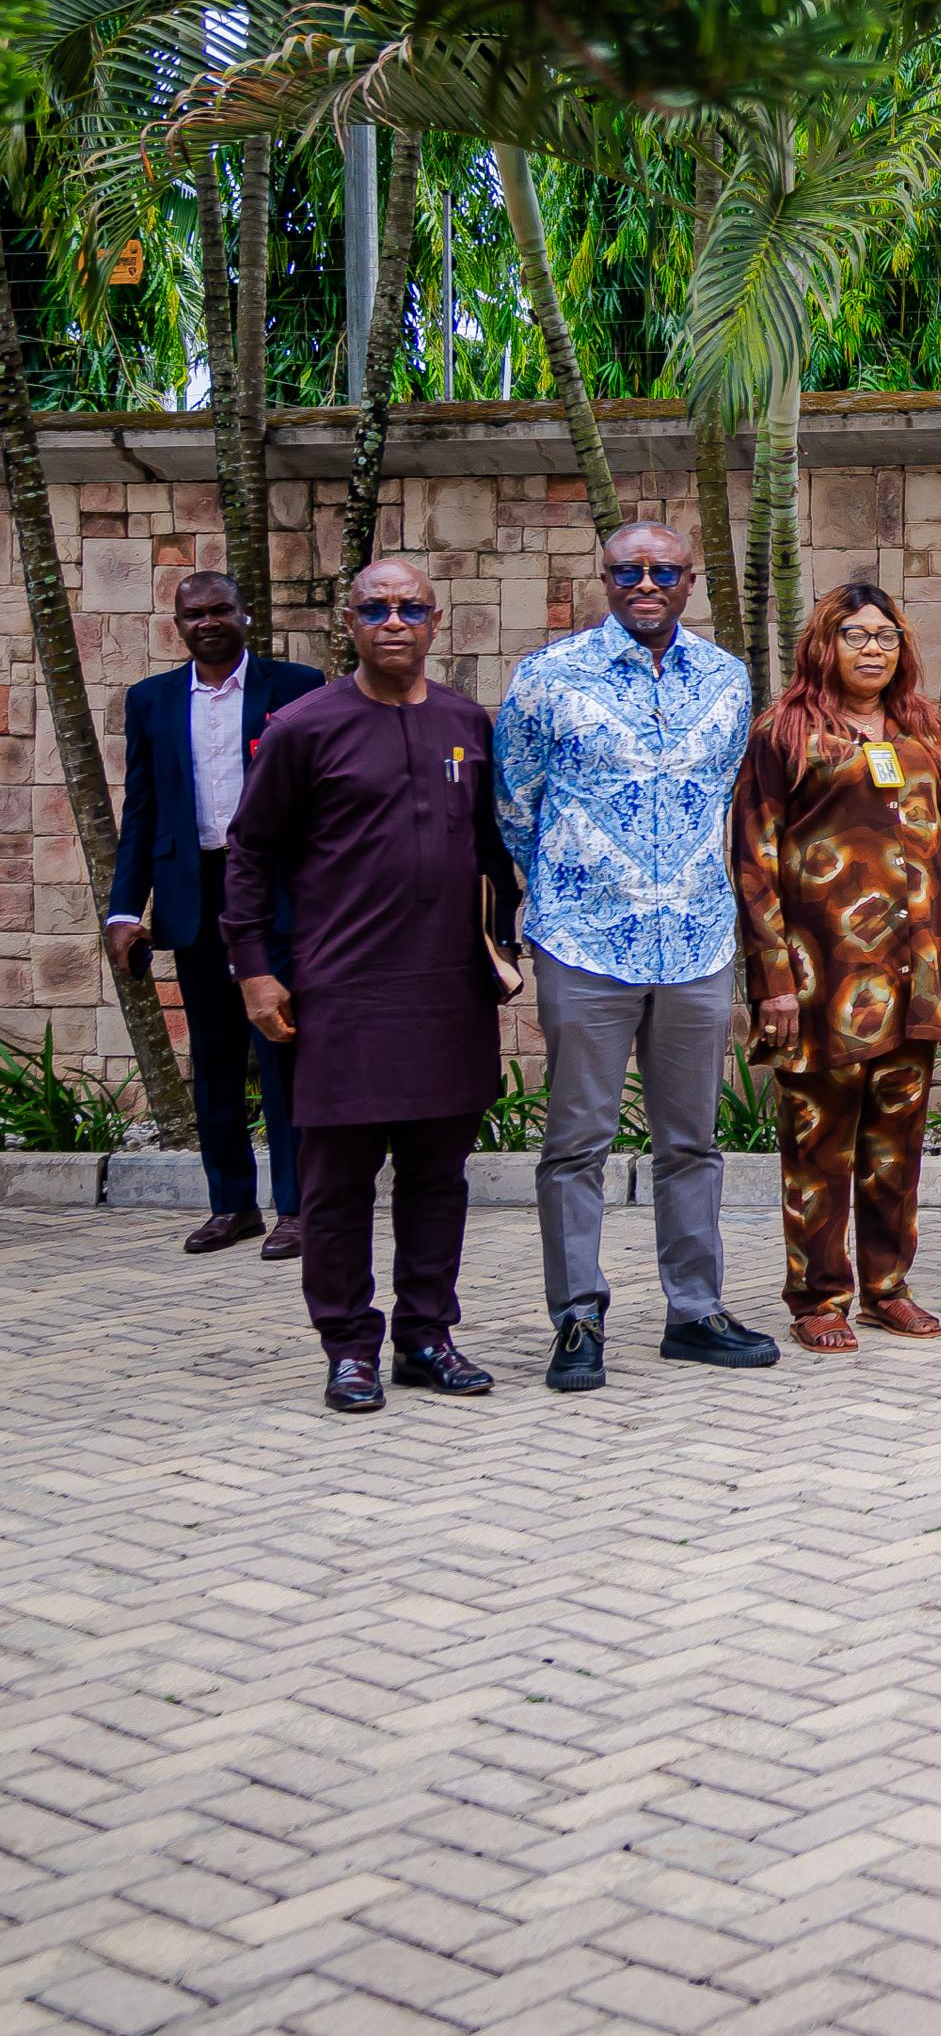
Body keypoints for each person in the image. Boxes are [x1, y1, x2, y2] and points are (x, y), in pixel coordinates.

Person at [226, 559, 517, 1413]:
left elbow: (491, 850)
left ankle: (426, 1335)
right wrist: (255, 971)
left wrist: (502, 946)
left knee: (438, 1176)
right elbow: (250, 853)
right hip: (343, 990)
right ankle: (349, 1346)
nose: (394, 622)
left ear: (435, 622)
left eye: (411, 608)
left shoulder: (466, 723)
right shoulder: (303, 727)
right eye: (376, 608)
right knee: (337, 1183)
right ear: (346, 622)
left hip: (449, 991)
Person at [496, 520, 771, 1392]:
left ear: (689, 581)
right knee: (576, 1141)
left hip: (695, 940)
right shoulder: (549, 675)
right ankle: (577, 1317)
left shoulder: (727, 678)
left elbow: (728, 794)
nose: (644, 584)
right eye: (627, 571)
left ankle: (695, 1311)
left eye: (662, 571)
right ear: (605, 579)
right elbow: (515, 804)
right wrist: (579, 880)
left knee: (692, 1141)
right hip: (585, 942)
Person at [732, 583, 941, 1349]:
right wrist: (773, 980)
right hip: (823, 979)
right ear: (824, 644)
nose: (873, 648)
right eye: (855, 634)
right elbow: (753, 857)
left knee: (895, 1145)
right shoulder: (787, 730)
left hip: (916, 978)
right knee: (818, 1141)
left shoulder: (926, 731)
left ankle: (886, 1288)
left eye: (886, 636)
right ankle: (818, 1297)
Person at [105, 570, 319, 1258]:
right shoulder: (152, 700)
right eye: (193, 614)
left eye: (219, 609)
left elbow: (322, 799)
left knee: (282, 1049)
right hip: (193, 892)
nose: (207, 622)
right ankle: (232, 1205)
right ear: (178, 625)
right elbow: (142, 809)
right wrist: (122, 909)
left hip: (275, 891)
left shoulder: (297, 687)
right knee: (215, 1057)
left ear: (243, 614)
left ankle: (297, 1209)